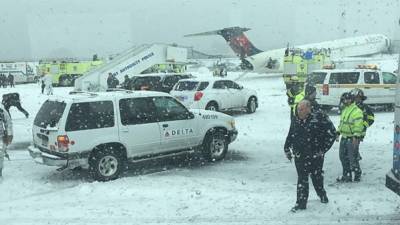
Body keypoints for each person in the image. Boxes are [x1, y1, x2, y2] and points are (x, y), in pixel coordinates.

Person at [284, 100, 336, 212]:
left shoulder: (319, 118)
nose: (299, 112)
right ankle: (301, 203)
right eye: (298, 109)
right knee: (302, 179)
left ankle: (321, 194)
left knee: (316, 176)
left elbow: (332, 133)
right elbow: (291, 133)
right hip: (300, 155)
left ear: (308, 109)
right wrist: (287, 148)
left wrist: (323, 149)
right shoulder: (295, 119)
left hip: (315, 155)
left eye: (301, 109)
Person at [336, 92, 364, 182]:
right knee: (343, 157)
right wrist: (338, 132)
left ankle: (357, 174)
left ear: (350, 100)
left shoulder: (357, 111)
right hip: (344, 137)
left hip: (352, 138)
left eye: (346, 99)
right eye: (344, 99)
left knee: (353, 158)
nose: (344, 101)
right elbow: (342, 123)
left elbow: (358, 125)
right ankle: (347, 175)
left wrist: (356, 137)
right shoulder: (345, 110)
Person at [0, 103, 13, 178]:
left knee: (0, 155)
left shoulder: (1, 110)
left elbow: (8, 122)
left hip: (1, 136)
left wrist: (9, 134)